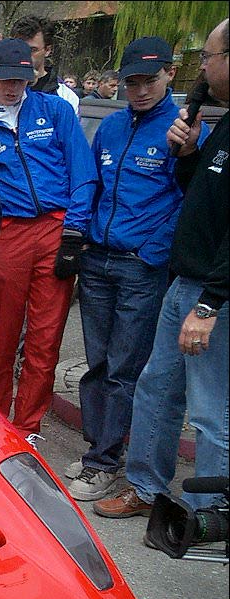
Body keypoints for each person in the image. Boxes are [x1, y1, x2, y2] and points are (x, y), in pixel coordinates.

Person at [95, 18, 229, 522]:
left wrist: (210, 302)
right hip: (184, 280)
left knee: (213, 410)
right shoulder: (218, 125)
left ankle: (209, 513)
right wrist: (190, 153)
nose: (206, 68)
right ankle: (146, 488)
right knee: (156, 388)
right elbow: (202, 198)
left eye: (211, 58)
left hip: (211, 294)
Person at [66, 38, 201, 501]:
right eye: (132, 82)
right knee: (96, 364)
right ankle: (98, 448)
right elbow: (94, 185)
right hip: (98, 259)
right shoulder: (112, 126)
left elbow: (185, 201)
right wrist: (80, 237)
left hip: (141, 266)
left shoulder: (183, 131)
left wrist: (152, 252)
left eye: (150, 80)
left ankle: (103, 462)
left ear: (168, 76)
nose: (140, 89)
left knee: (126, 369)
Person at [0, 38, 93, 446]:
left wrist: (74, 233)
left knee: (44, 337)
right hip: (8, 232)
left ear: (33, 75)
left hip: (56, 229)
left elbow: (84, 173)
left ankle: (27, 429)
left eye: (20, 79)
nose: (12, 87)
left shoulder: (55, 111)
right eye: (4, 78)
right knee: (0, 336)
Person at [8, 14, 79, 113]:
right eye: (19, 48)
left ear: (48, 50)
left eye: (32, 50)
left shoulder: (65, 96)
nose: (25, 55)